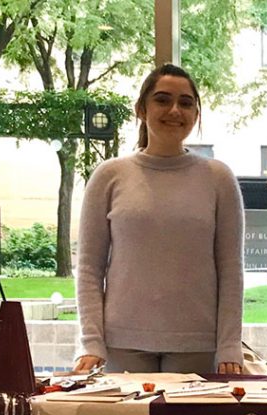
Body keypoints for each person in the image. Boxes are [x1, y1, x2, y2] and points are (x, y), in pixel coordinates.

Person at [73, 64, 244, 375]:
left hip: (197, 343)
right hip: (121, 343)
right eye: (162, 100)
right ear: (142, 109)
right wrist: (91, 342)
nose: (175, 110)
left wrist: (230, 345)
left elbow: (230, 268)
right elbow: (88, 267)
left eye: (186, 102)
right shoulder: (109, 176)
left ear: (196, 113)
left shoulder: (219, 178)